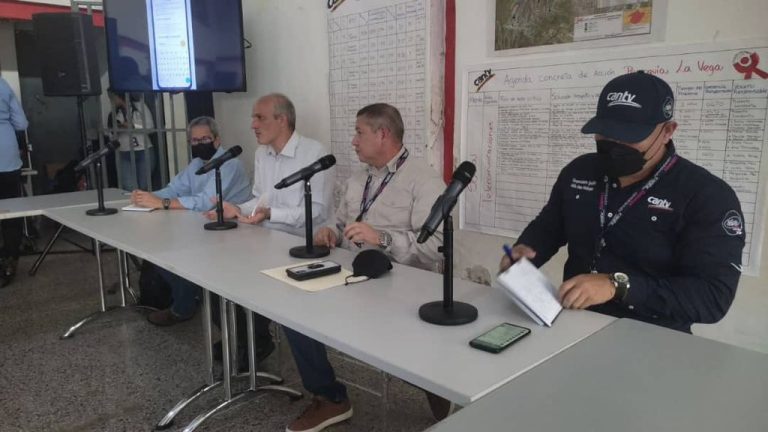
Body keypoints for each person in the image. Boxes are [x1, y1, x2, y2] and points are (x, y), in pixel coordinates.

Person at [500, 71, 745, 334]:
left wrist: (618, 286)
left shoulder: (707, 194)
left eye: (629, 135)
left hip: (653, 335)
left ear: (667, 131)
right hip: (573, 323)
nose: (614, 144)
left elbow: (712, 297)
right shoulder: (579, 171)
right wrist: (525, 251)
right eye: (605, 133)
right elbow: (549, 227)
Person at [283, 103, 447, 432]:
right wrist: (330, 231)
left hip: (400, 287)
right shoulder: (359, 178)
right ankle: (331, 398)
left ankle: (434, 376)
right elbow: (340, 221)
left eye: (359, 133)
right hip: (352, 275)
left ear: (382, 134)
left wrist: (382, 238)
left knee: (412, 353)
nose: (353, 141)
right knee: (292, 310)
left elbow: (436, 247)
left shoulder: (424, 181)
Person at [207, 93, 335, 367]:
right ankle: (250, 341)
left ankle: (255, 341)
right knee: (217, 278)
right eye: (253, 117)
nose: (253, 124)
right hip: (264, 241)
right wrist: (237, 209)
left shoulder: (314, 153)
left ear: (282, 120)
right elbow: (260, 199)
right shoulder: (261, 153)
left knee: (289, 307)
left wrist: (269, 214)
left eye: (260, 117)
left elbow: (316, 212)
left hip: (301, 247)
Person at [130, 116, 251, 326]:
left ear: (217, 140)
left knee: (178, 252)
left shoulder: (229, 164)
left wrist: (162, 203)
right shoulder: (196, 163)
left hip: (236, 229)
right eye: (194, 141)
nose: (199, 144)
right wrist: (145, 196)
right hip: (203, 226)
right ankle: (186, 300)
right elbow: (174, 189)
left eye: (204, 139)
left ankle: (184, 306)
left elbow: (205, 202)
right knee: (160, 251)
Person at [0, 76, 28, 287]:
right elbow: (21, 123)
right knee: (11, 211)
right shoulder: (3, 86)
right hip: (7, 155)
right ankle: (10, 262)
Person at [107, 89, 155, 191]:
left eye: (112, 97)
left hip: (143, 150)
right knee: (128, 187)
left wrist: (133, 126)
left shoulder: (140, 106)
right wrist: (116, 130)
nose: (112, 101)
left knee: (144, 186)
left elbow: (150, 127)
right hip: (124, 152)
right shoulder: (114, 113)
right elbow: (110, 135)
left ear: (119, 95)